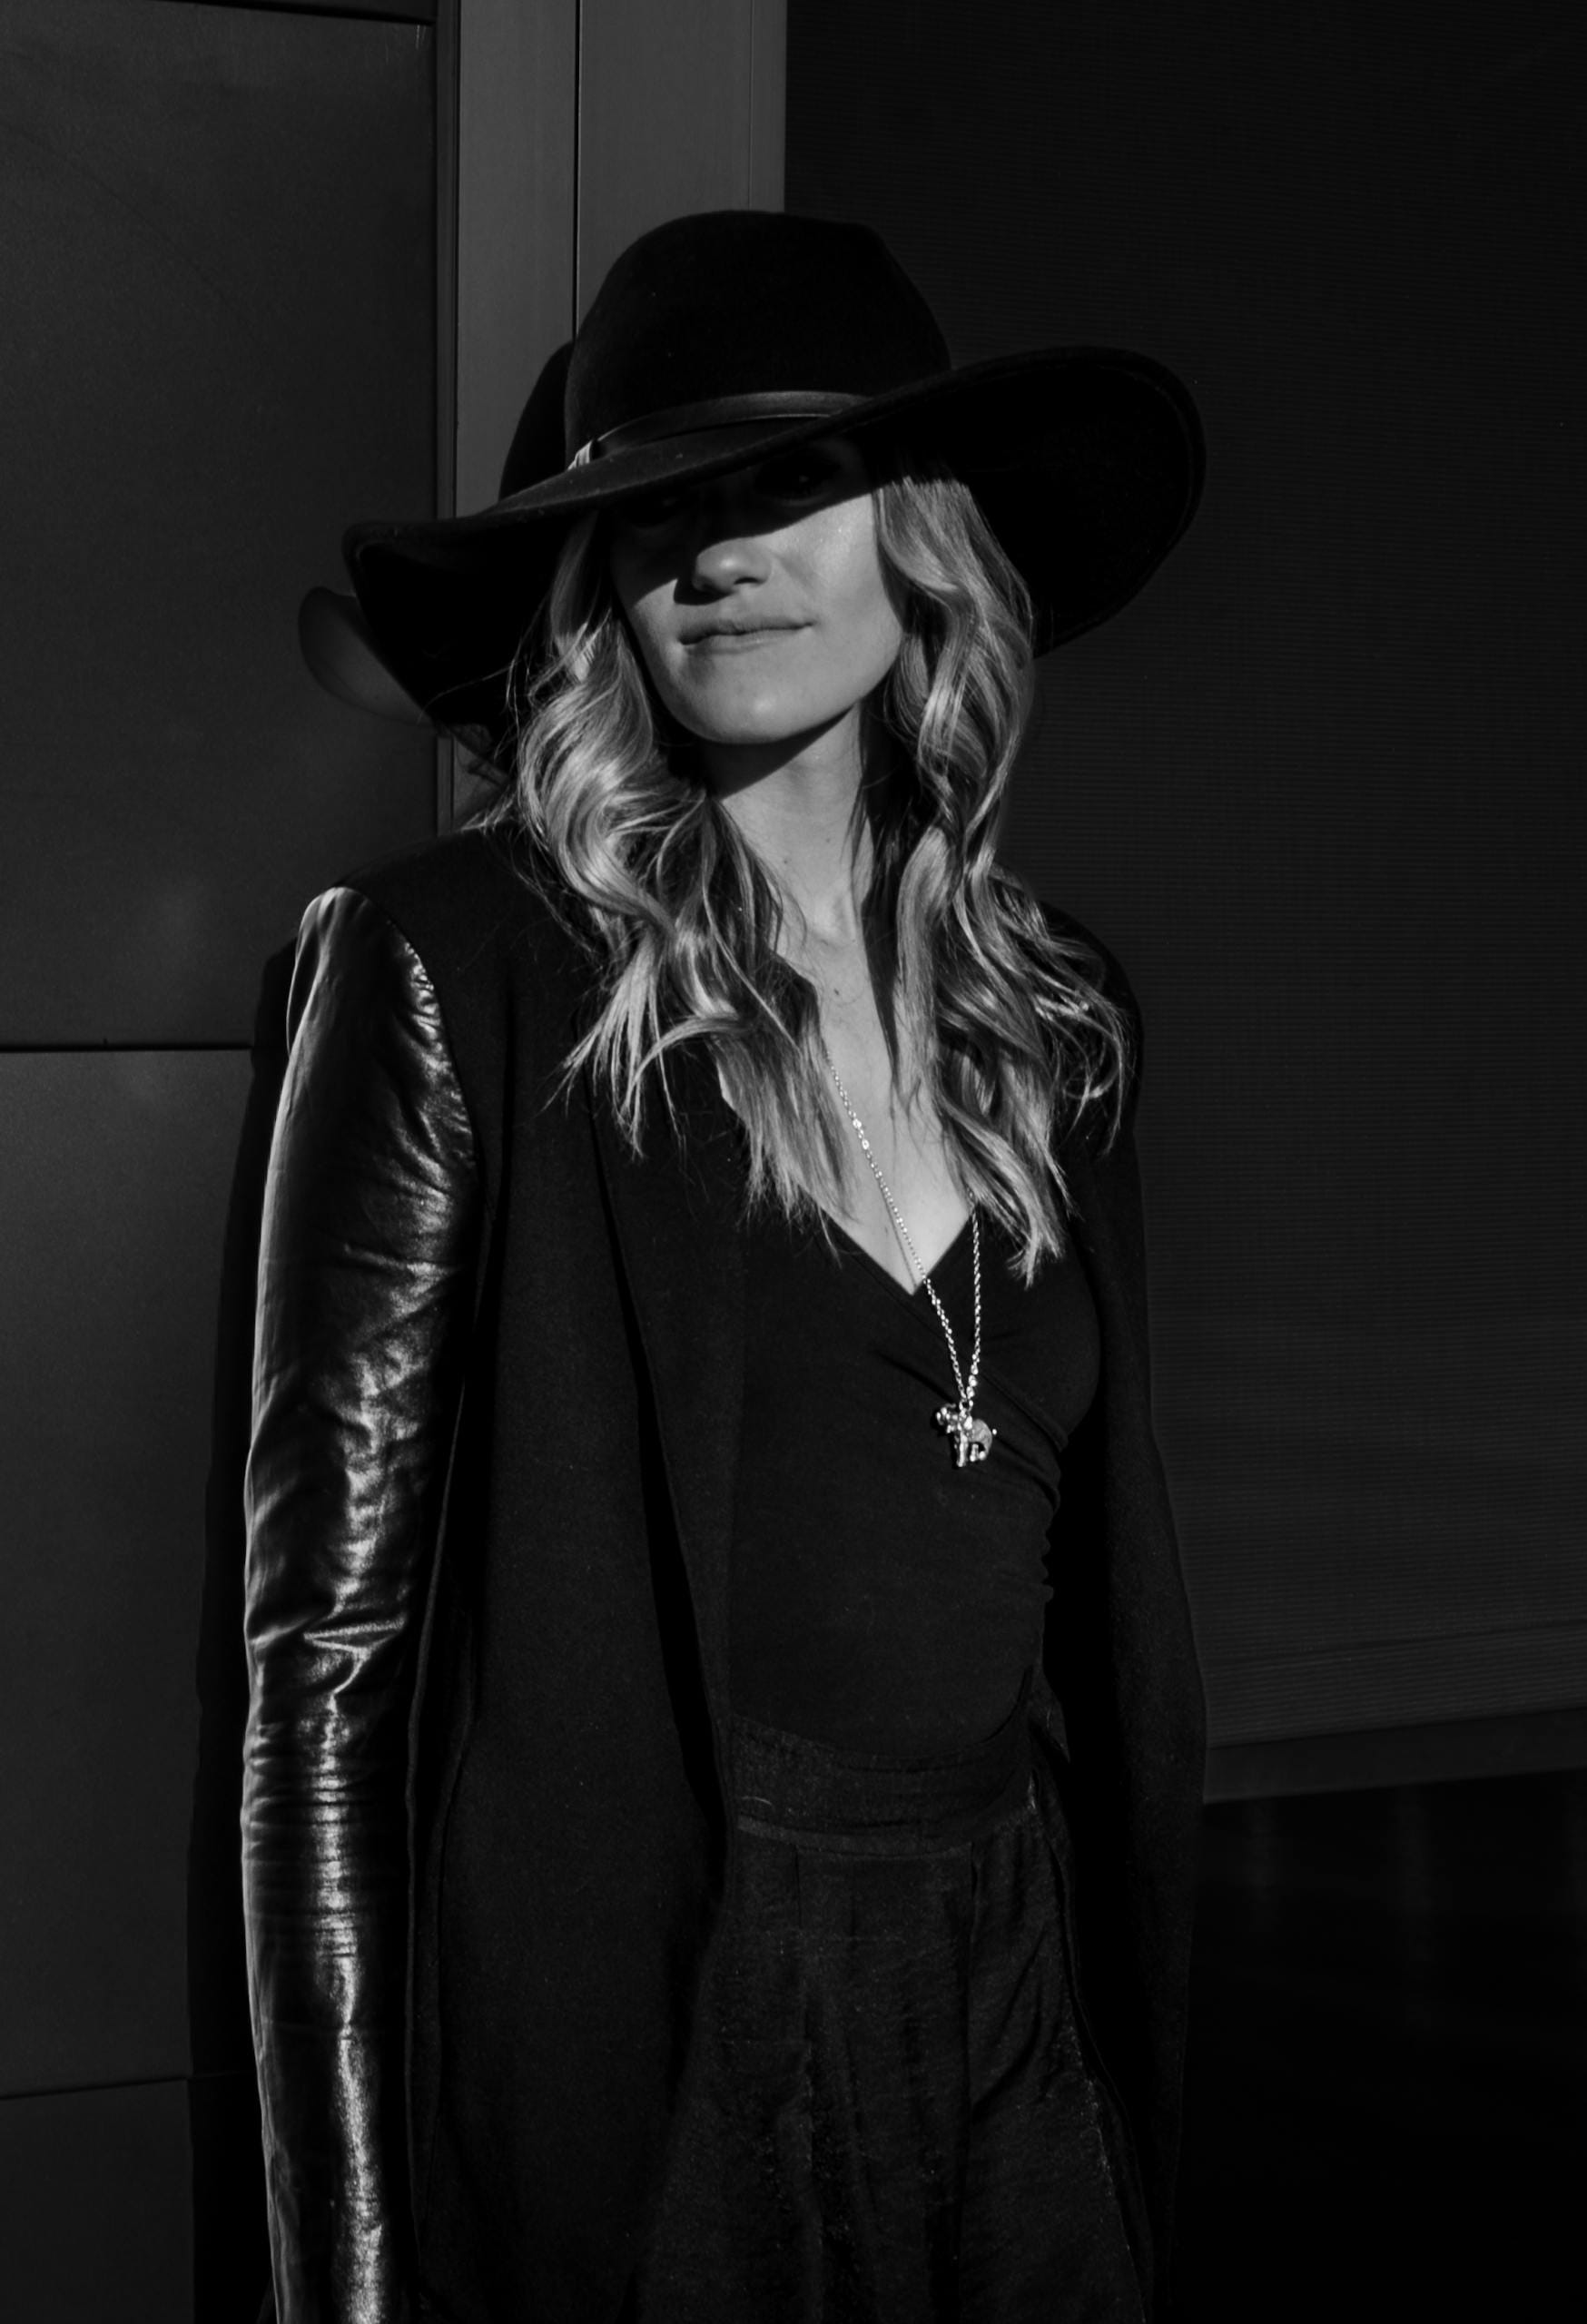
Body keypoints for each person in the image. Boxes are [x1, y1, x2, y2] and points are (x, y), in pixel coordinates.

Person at [242, 208, 1208, 2324]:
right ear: (597, 578)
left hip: (1015, 1992)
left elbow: (1093, 1626)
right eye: (655, 510)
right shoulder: (451, 968)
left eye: (791, 484)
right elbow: (323, 1676)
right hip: (663, 2027)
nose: (720, 553)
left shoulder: (1064, 1022)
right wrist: (351, 2271)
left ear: (925, 539)